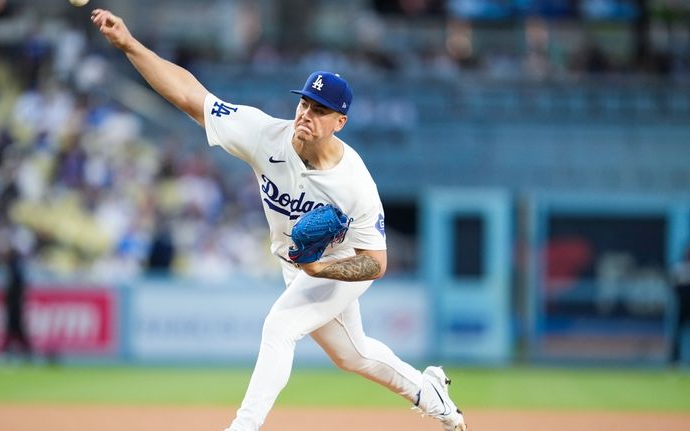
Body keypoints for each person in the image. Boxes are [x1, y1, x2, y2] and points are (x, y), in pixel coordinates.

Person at [91, 9, 467, 431]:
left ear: (339, 122)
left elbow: (376, 263)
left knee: (281, 326)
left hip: (341, 264)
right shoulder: (265, 134)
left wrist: (320, 268)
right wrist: (129, 45)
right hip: (298, 264)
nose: (306, 113)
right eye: (305, 101)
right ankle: (429, 393)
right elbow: (189, 95)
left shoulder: (355, 184)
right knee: (352, 355)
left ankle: (244, 426)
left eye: (320, 109)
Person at [0, 246, 33, 361]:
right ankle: (25, 353)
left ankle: (7, 353)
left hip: (14, 306)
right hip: (15, 305)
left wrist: (9, 300)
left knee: (13, 329)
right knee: (17, 331)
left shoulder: (14, 269)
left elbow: (14, 288)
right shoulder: (16, 269)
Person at [671, 246, 690, 365]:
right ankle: (674, 360)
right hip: (683, 307)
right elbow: (674, 287)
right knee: (677, 333)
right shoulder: (679, 268)